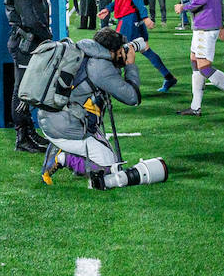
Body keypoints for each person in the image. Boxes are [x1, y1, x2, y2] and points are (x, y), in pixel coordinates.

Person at [38, 29, 168, 190]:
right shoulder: (99, 66)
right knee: (109, 168)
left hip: (52, 117)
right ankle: (64, 157)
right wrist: (130, 65)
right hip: (65, 126)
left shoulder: (84, 51)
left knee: (103, 155)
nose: (124, 51)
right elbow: (132, 98)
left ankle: (66, 148)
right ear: (112, 51)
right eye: (121, 49)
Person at [98, 0, 176, 93]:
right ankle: (168, 77)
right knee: (144, 48)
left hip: (128, 17)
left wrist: (145, 16)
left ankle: (117, 87)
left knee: (117, 50)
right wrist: (108, 8)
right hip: (131, 15)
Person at [3, 0, 52, 153]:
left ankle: (29, 132)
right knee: (21, 91)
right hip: (26, 45)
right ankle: (22, 136)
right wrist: (47, 38)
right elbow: (30, 20)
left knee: (27, 89)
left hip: (31, 43)